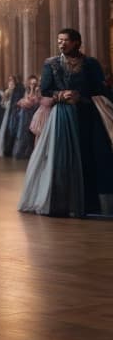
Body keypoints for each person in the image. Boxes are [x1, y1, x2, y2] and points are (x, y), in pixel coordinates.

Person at [19, 28, 113, 218]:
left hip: (88, 114)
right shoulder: (51, 63)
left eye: (65, 40)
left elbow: (99, 88)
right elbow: (45, 90)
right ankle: (65, 203)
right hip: (63, 116)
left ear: (76, 42)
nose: (61, 44)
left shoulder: (91, 63)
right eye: (59, 40)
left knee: (92, 155)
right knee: (63, 157)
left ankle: (93, 204)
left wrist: (82, 96)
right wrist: (61, 95)